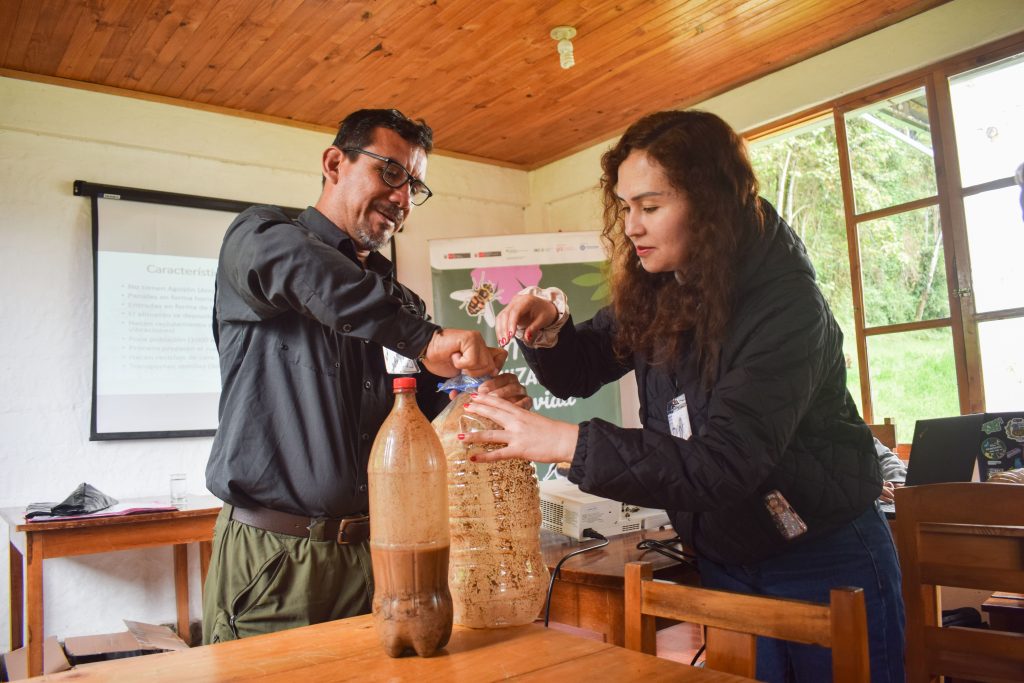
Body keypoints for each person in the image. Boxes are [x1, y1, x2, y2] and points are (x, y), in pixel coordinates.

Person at [463, 111, 905, 682]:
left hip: (823, 555)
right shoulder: (660, 288)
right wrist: (549, 328)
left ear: (712, 203)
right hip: (725, 556)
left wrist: (560, 442)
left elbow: (723, 464)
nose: (632, 227)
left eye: (650, 207)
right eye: (625, 208)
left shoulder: (787, 307)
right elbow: (577, 372)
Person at [202, 109, 526, 643]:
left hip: (380, 558)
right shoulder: (258, 239)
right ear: (335, 163)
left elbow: (422, 400)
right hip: (276, 561)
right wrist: (424, 339)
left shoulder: (398, 303)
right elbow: (302, 269)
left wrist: (475, 392)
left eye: (414, 185)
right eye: (391, 172)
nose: (403, 197)